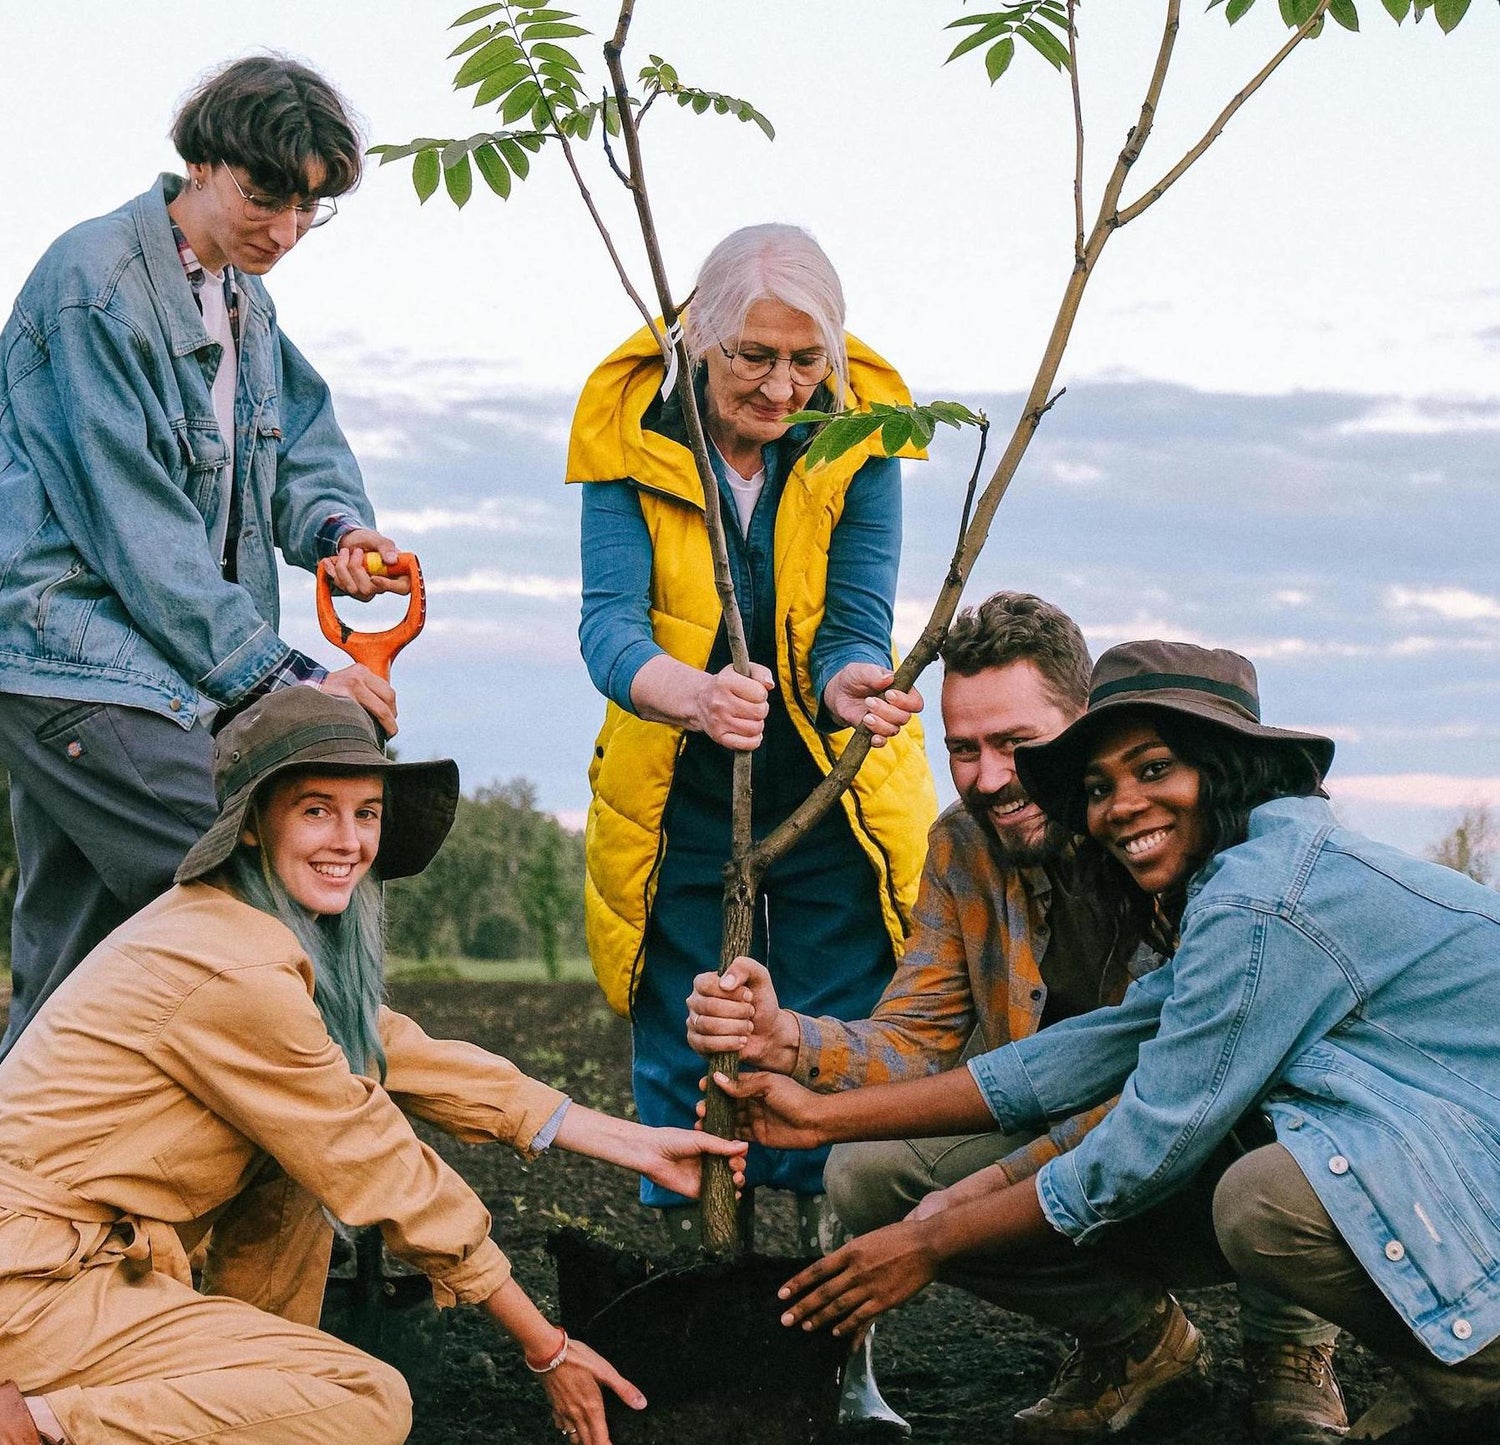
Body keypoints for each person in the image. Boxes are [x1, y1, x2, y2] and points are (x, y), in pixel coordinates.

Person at [719, 640, 1500, 1443]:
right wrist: (815, 1108)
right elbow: (1085, 1052)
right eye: (1098, 786)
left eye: (1155, 769)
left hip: (1452, 1158)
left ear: (1224, 764)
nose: (1120, 805)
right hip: (1443, 1154)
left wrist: (937, 1231)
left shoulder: (1258, 899)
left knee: (1268, 1193)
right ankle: (1154, 1349)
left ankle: (1451, 1369)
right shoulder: (1232, 872)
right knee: (889, 1172)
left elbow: (1146, 1133)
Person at [0, 688, 745, 1445]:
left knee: (292, 1170)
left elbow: (400, 1053)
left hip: (66, 1260)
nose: (348, 840)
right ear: (255, 824)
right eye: (316, 809)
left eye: (366, 812)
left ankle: (236, 1410)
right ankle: (33, 1426)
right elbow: (376, 1161)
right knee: (365, 1401)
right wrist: (545, 1344)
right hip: (31, 1284)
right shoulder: (231, 965)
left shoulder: (239, 932)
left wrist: (634, 1141)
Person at [0, 56, 409, 1054]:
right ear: (199, 161)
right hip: (75, 658)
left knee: (77, 954)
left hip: (164, 661)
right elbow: (140, 538)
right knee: (264, 892)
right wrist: (298, 686)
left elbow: (300, 441)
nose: (286, 231)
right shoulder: (95, 288)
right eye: (267, 198)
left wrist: (334, 536)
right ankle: (336, 1192)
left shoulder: (242, 300)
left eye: (308, 210)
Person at [566, 223, 938, 1243]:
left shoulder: (867, 429)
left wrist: (852, 682)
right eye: (754, 357)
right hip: (678, 781)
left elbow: (856, 619)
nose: (782, 389)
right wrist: (689, 693)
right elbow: (608, 623)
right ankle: (709, 1260)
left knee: (836, 1023)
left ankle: (838, 1304)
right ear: (696, 337)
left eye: (806, 360)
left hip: (830, 789)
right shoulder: (629, 426)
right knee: (689, 1023)